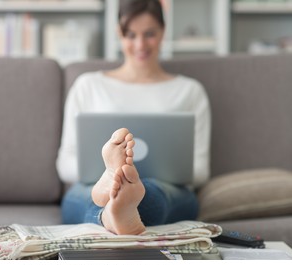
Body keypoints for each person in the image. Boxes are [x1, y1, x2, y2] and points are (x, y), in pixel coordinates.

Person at [56, 0, 211, 235]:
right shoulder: (89, 86)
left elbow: (200, 169)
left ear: (163, 31)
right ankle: (113, 206)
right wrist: (114, 173)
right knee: (91, 197)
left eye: (149, 34)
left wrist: (130, 179)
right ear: (119, 32)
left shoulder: (189, 91)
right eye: (131, 34)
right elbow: (65, 163)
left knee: (147, 193)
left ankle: (110, 212)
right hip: (92, 185)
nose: (140, 44)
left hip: (164, 187)